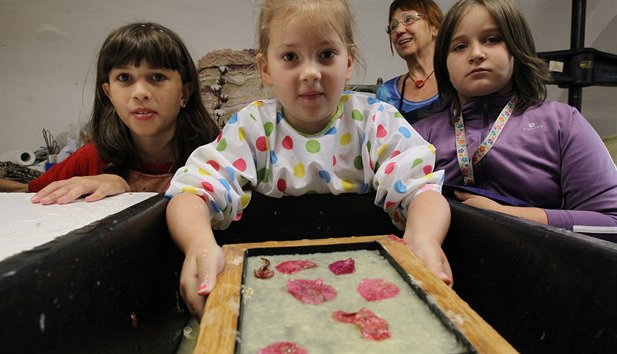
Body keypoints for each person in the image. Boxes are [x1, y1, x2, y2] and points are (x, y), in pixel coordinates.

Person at [165, 0, 452, 318]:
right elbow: (191, 193)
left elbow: (423, 190)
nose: (311, 72)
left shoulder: (374, 122)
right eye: (290, 57)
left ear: (348, 62)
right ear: (265, 68)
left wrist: (424, 237)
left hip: (367, 290)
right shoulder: (253, 127)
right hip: (270, 289)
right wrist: (199, 244)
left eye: (327, 54)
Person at [413, 0, 617, 234]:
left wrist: (510, 216)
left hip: (539, 265)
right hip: (436, 267)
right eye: (459, 46)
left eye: (492, 39)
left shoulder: (562, 122)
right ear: (443, 64)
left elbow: (611, 222)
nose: (476, 54)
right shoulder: (420, 135)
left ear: (517, 49)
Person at [0, 22, 219, 204]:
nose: (140, 93)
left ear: (185, 93)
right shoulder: (91, 158)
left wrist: (126, 195)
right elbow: (29, 195)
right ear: (109, 93)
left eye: (157, 77)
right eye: (124, 78)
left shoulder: (219, 160)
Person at [375, 0, 443, 124]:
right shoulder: (387, 93)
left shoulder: (456, 78)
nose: (399, 30)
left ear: (435, 27)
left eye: (409, 19)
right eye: (393, 26)